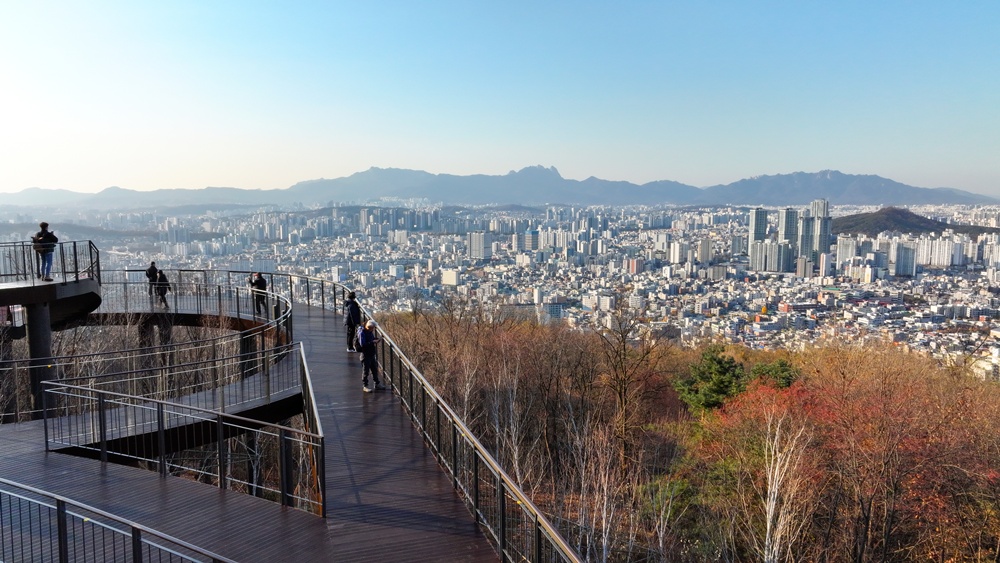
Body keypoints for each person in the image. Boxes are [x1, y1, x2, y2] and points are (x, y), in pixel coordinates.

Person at [358, 320, 384, 392]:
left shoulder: (368, 331)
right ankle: (365, 386)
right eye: (373, 328)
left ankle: (377, 383)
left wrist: (375, 340)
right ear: (369, 327)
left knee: (374, 369)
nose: (373, 329)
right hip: (365, 354)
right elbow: (362, 344)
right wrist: (372, 342)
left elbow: (370, 339)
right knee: (366, 371)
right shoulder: (362, 332)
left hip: (371, 353)